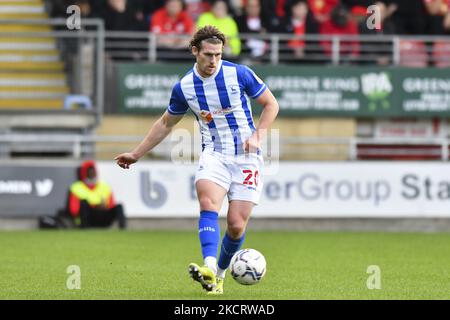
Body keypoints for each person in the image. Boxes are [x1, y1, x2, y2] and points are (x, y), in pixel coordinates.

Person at [114, 25, 279, 295]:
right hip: (214, 153)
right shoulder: (184, 87)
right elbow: (166, 123)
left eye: (217, 54)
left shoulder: (239, 74)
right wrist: (136, 153)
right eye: (208, 54)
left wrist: (258, 137)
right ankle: (209, 266)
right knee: (207, 203)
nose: (213, 60)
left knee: (236, 225)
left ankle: (219, 276)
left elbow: (271, 104)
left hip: (247, 156)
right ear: (195, 51)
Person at [68, 160, 127, 229]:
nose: (92, 173)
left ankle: (123, 229)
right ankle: (85, 229)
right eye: (89, 171)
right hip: (89, 218)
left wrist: (104, 207)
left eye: (93, 171)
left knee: (119, 206)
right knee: (84, 203)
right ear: (84, 173)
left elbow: (111, 204)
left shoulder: (105, 186)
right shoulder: (76, 187)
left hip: (103, 216)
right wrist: (95, 206)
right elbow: (73, 210)